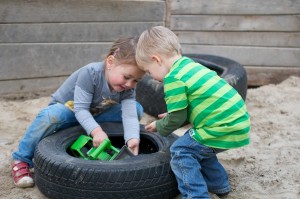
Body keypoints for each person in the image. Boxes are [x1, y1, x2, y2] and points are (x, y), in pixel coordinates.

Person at [12, 36, 145, 188]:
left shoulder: (127, 87)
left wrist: (133, 139)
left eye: (136, 80)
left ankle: (106, 139)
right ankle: (21, 159)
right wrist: (96, 131)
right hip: (67, 113)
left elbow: (129, 114)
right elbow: (80, 109)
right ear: (110, 62)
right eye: (127, 77)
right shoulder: (91, 73)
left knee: (136, 109)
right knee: (51, 115)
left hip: (96, 114)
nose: (130, 84)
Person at [135, 26, 250, 198]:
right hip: (237, 122)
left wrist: (160, 125)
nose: (152, 77)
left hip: (219, 126)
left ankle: (196, 195)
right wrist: (173, 116)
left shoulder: (173, 78)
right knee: (197, 145)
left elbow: (177, 117)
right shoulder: (191, 66)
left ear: (156, 59)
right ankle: (219, 185)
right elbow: (194, 104)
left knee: (181, 151)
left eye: (149, 71)